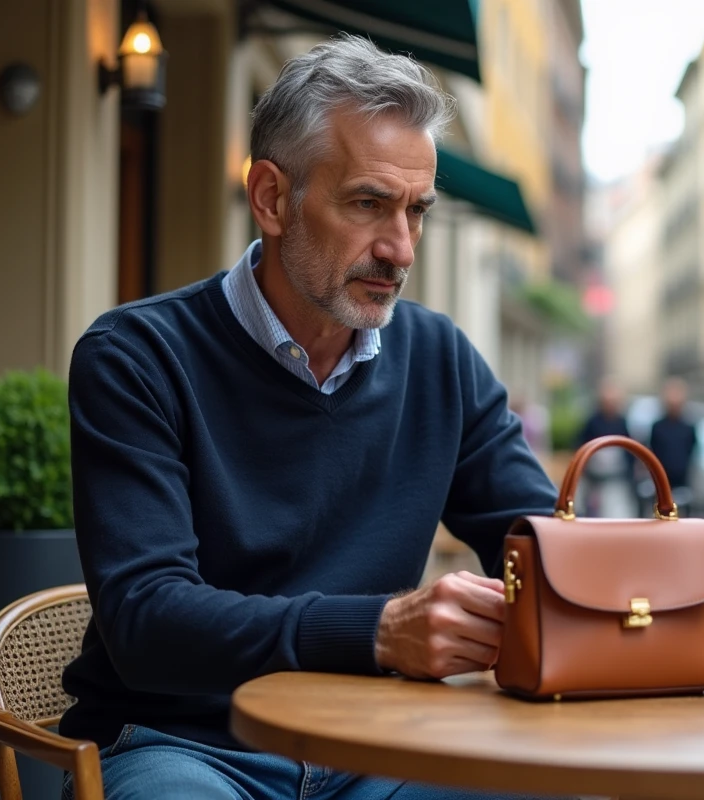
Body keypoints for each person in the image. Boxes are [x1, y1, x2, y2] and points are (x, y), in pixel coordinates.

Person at [60, 35, 562, 800]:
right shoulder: (136, 357)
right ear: (271, 198)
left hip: (378, 745)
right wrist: (379, 630)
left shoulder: (439, 360)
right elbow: (146, 620)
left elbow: (544, 549)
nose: (400, 248)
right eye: (368, 203)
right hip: (183, 746)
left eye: (417, 212)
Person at [573, 378, 636, 517]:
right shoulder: (592, 422)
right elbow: (581, 446)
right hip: (594, 480)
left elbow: (630, 449)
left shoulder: (622, 422)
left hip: (617, 479)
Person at [649, 377, 699, 514]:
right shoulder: (658, 427)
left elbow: (692, 449)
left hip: (683, 480)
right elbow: (654, 450)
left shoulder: (688, 426)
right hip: (662, 482)